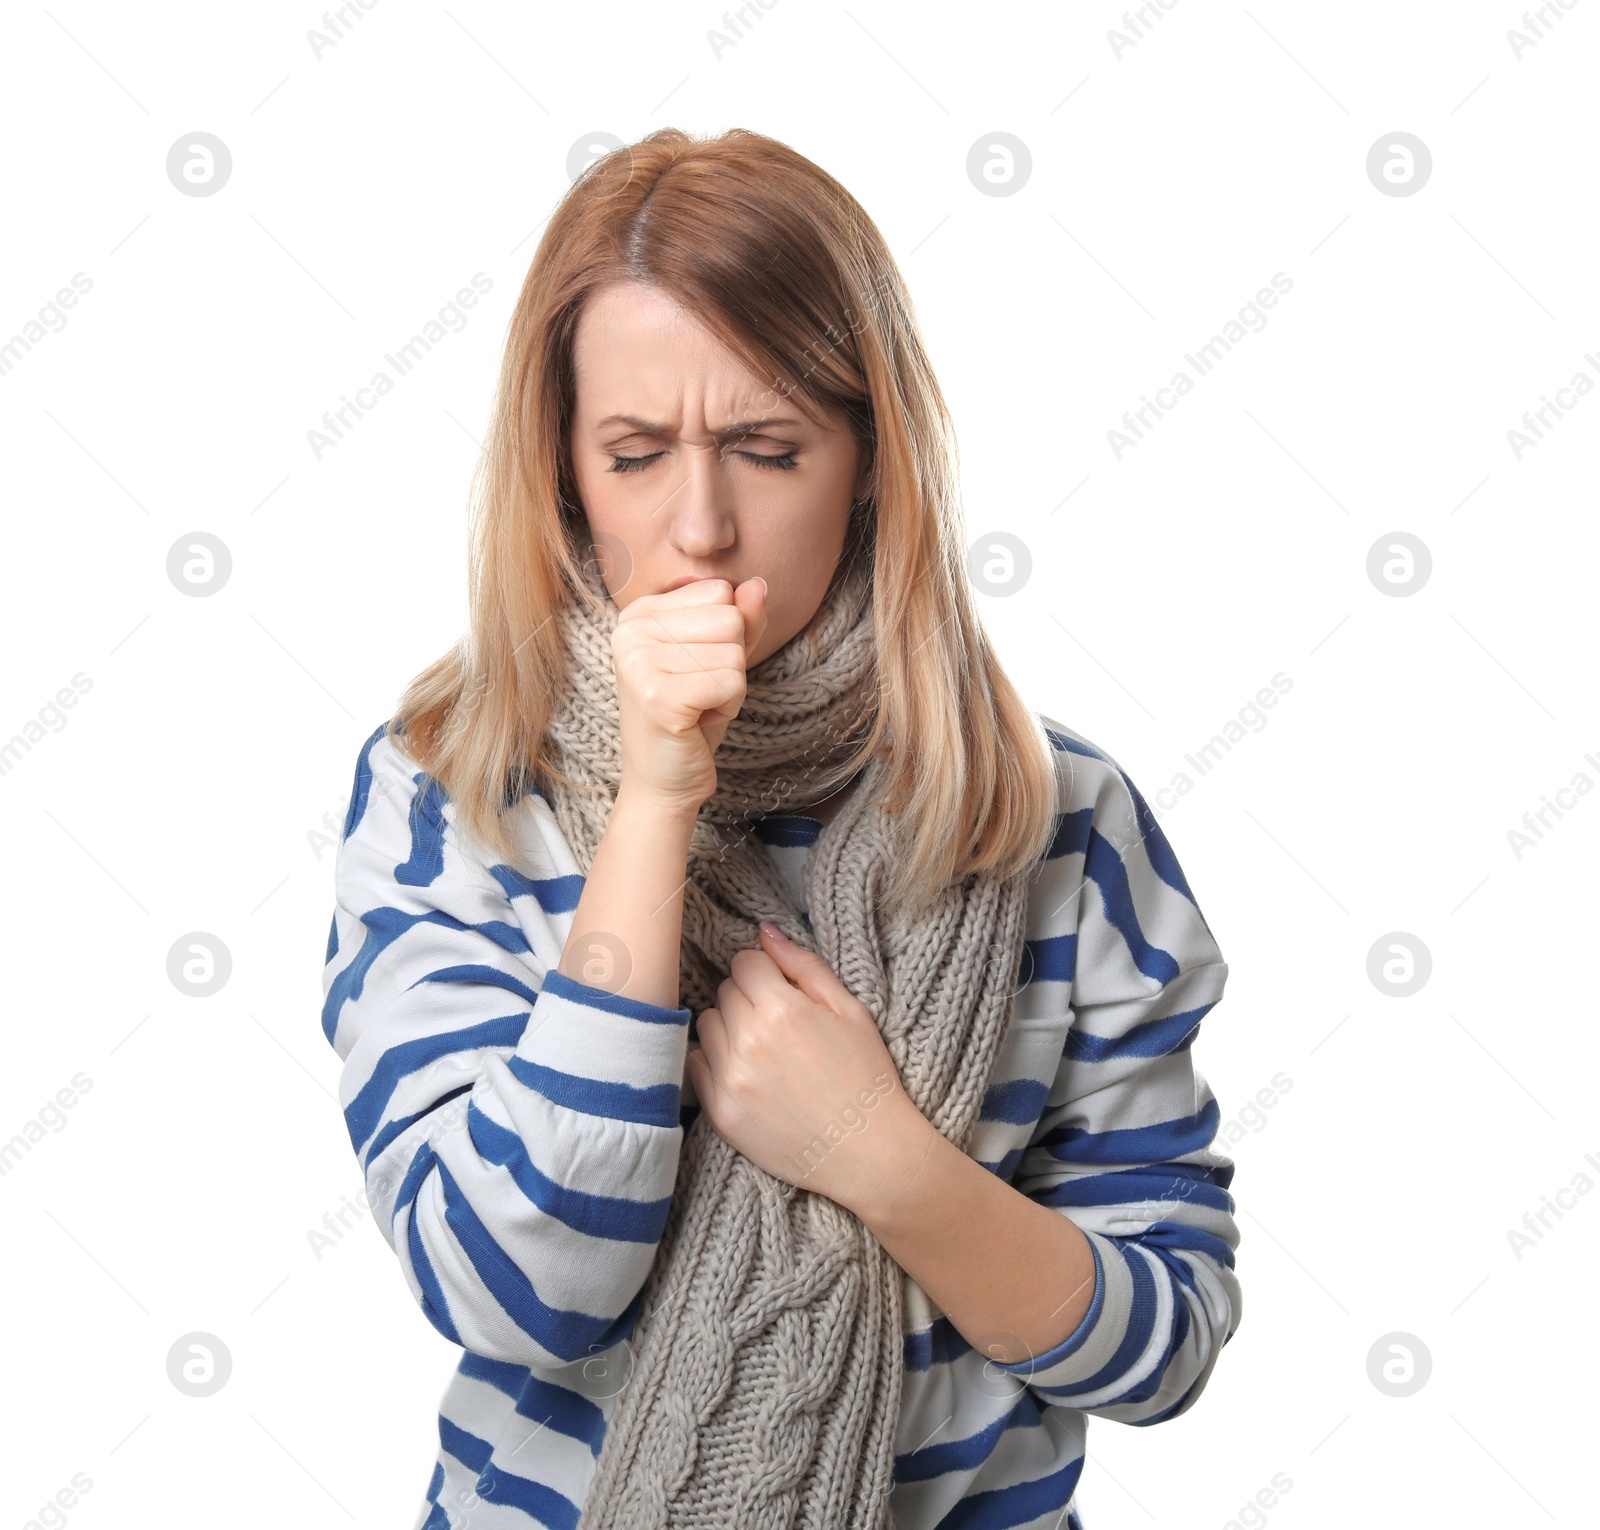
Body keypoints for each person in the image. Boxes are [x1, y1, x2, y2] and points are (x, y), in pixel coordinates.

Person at [320, 126, 1241, 1530]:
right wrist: (653, 803)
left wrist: (882, 1154)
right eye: (634, 454)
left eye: (767, 448)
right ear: (563, 467)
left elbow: (1166, 1341)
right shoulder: (449, 788)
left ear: (871, 460)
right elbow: (507, 1288)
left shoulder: (1059, 820)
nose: (701, 526)